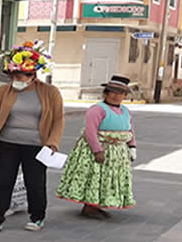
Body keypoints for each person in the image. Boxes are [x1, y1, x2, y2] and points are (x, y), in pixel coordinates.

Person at [0, 41, 64, 233]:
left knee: (35, 182)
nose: (15, 79)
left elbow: (58, 120)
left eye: (20, 76)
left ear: (32, 76)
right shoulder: (3, 91)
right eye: (13, 76)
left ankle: (37, 216)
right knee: (3, 180)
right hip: (7, 143)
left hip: (36, 145)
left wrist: (52, 143)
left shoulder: (50, 92)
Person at [57, 75, 137, 218]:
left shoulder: (125, 111)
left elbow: (130, 129)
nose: (116, 96)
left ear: (125, 95)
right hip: (98, 149)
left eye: (121, 93)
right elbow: (90, 131)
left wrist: (132, 147)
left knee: (107, 178)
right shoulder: (97, 109)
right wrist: (97, 150)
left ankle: (97, 204)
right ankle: (89, 207)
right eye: (112, 92)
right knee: (94, 177)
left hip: (117, 151)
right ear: (105, 93)